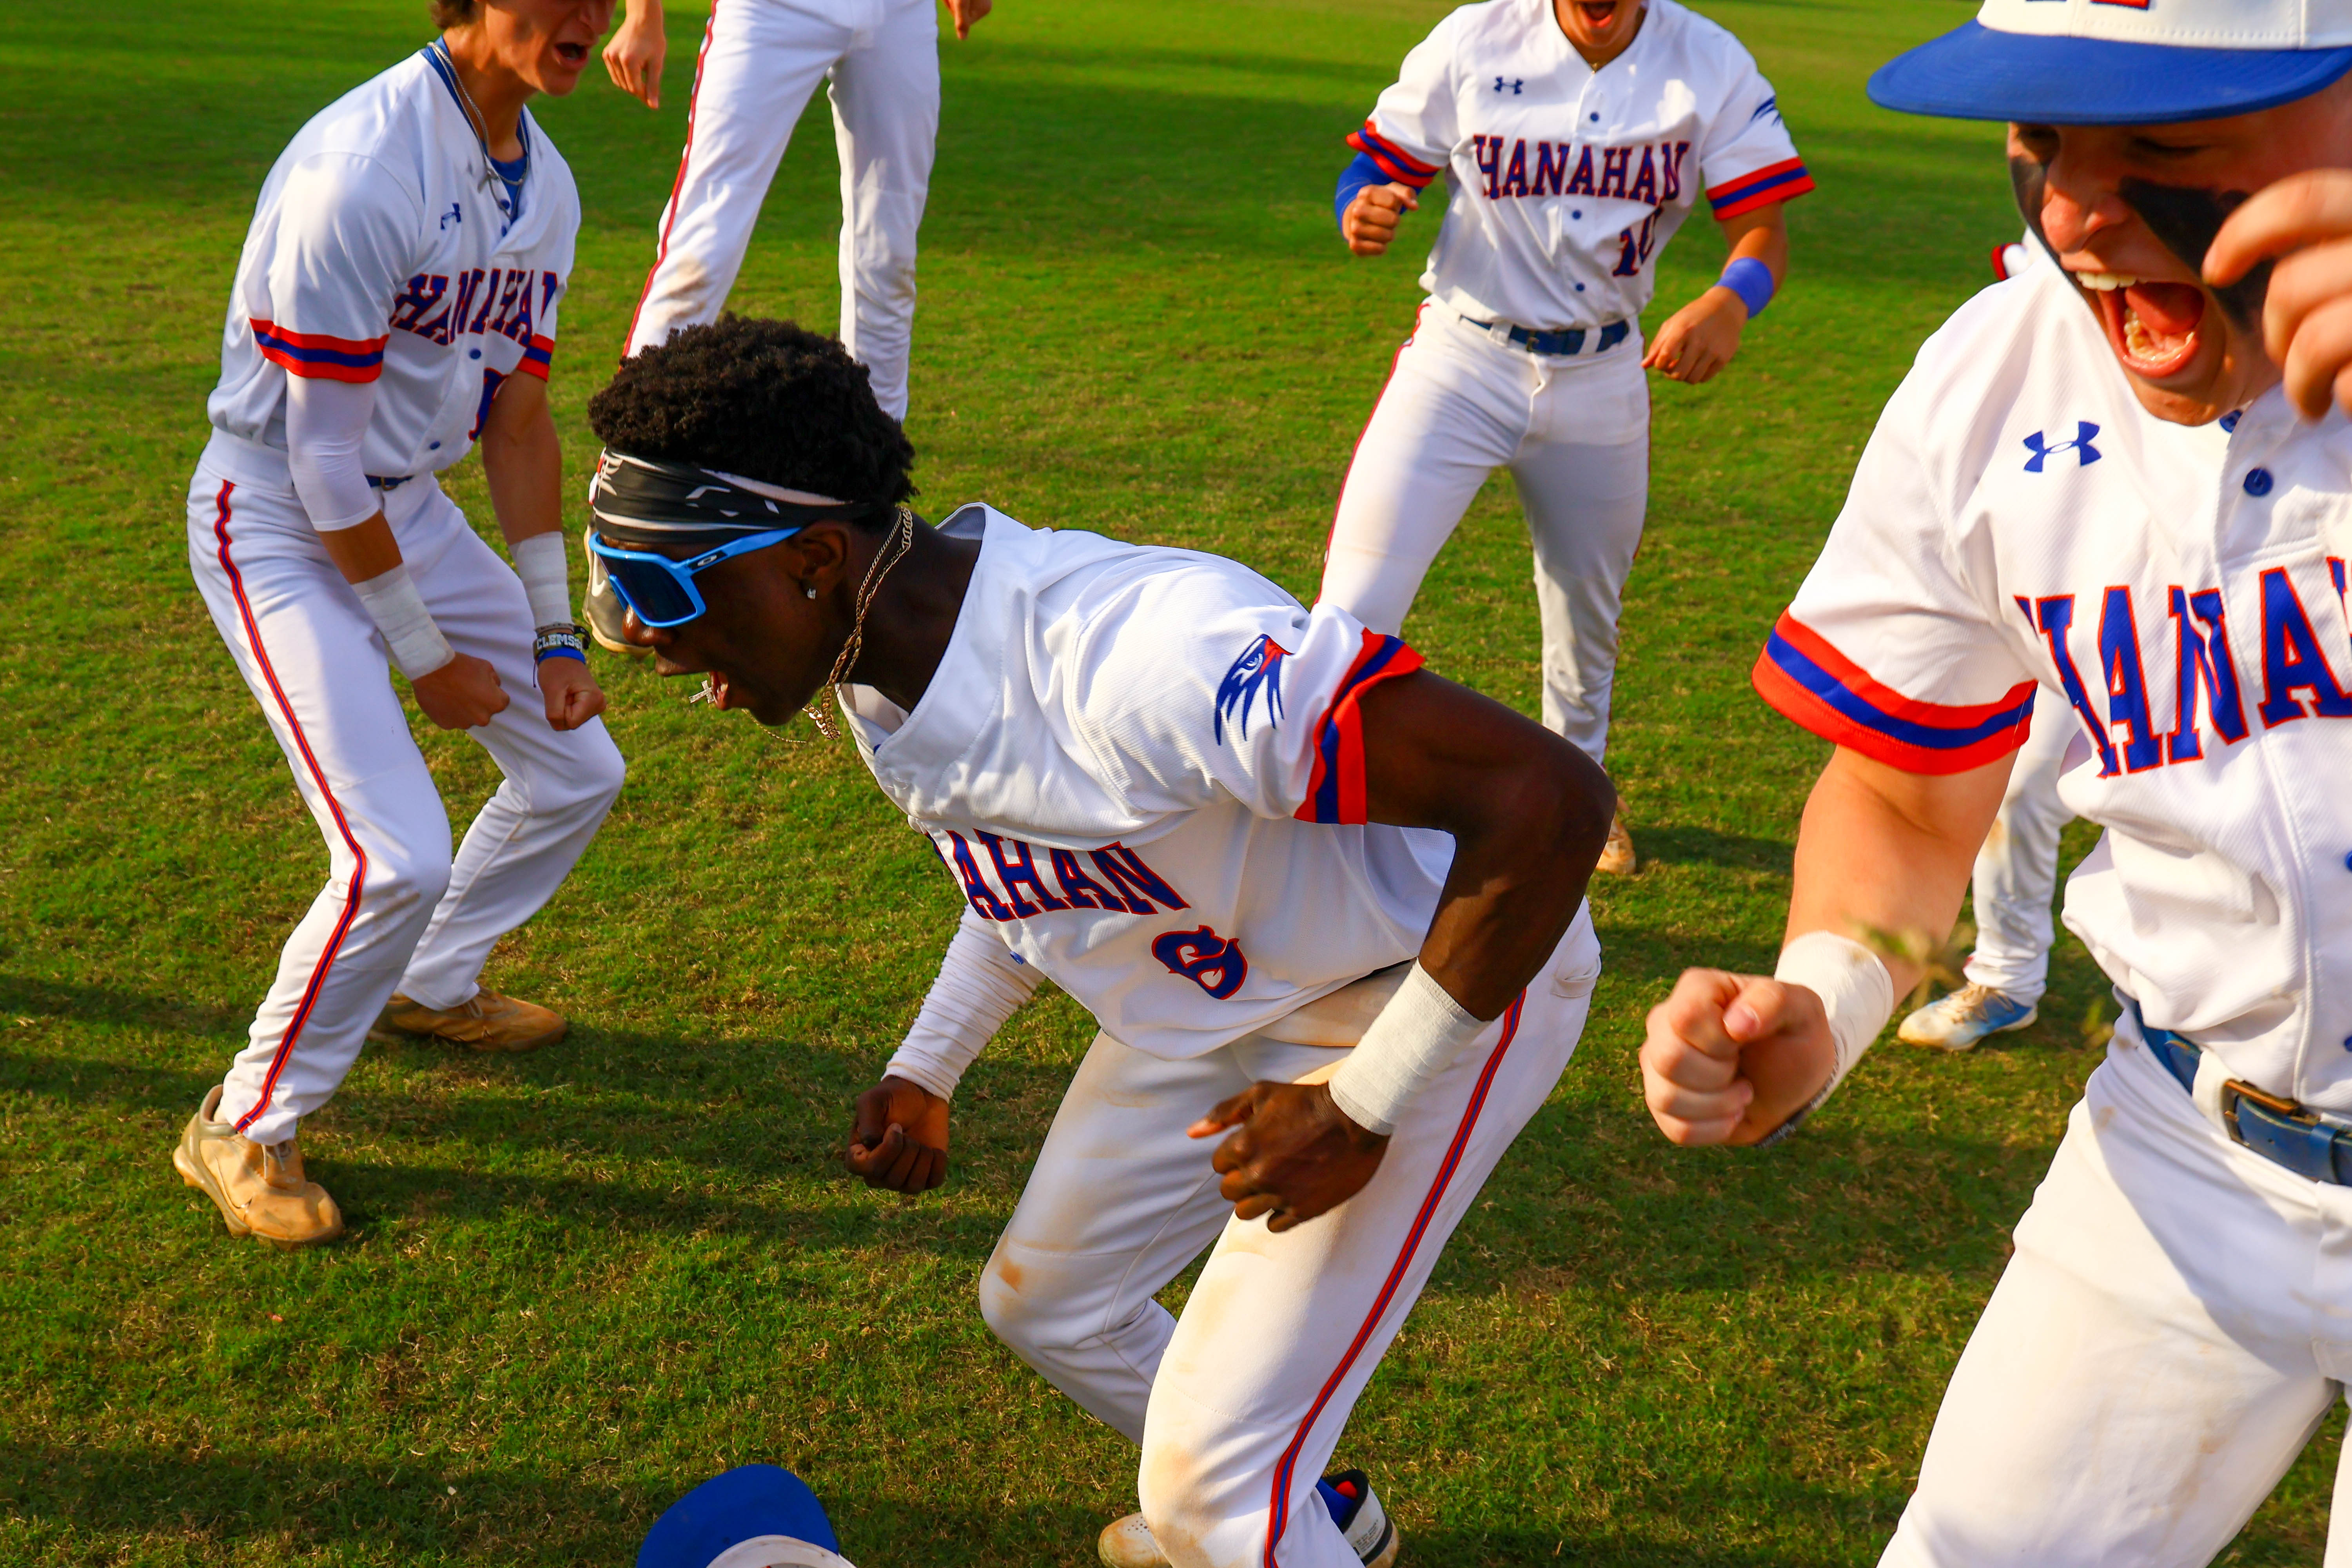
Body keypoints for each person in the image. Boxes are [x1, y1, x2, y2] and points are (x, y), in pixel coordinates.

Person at [582, 317, 1613, 1568]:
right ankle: (1314, 1515)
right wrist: (933, 1060)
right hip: (1238, 990)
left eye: (657, 592)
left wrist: (1361, 1104)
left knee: (1209, 1492)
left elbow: (1547, 801)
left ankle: (1253, 1509)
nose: (645, 644)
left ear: (809, 559)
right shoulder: (874, 654)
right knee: (1052, 1305)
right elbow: (1049, 870)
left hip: (1430, 982)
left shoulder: (1142, 655)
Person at [1637, 0, 2352, 1557]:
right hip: (2187, 1149)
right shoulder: (2001, 374)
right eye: (2038, 140)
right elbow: (1905, 792)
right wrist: (1829, 994)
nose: (2081, 210)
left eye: (2163, 143)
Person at [175, 0, 626, 1250]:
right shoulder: (361, 169)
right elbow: (320, 466)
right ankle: (244, 1121)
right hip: (273, 513)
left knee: (580, 766)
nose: (589, 15)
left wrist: (551, 635)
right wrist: (427, 659)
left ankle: (429, 982)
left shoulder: (550, 187)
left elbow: (519, 425)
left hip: (407, 503)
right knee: (392, 855)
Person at [1321, 0, 1811, 874]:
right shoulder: (1476, 37)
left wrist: (1733, 300)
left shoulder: (1709, 60)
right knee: (1353, 606)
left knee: (1586, 613)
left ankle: (1581, 794)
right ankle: (1328, 792)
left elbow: (1763, 230)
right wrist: (1362, 205)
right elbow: (1372, 168)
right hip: (1459, 360)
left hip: (1602, 377)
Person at [584, 0, 990, 656]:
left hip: (899, 12)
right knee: (700, 251)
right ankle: (623, 521)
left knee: (888, 259)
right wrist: (643, 15)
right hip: (773, 8)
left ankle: (870, 515)